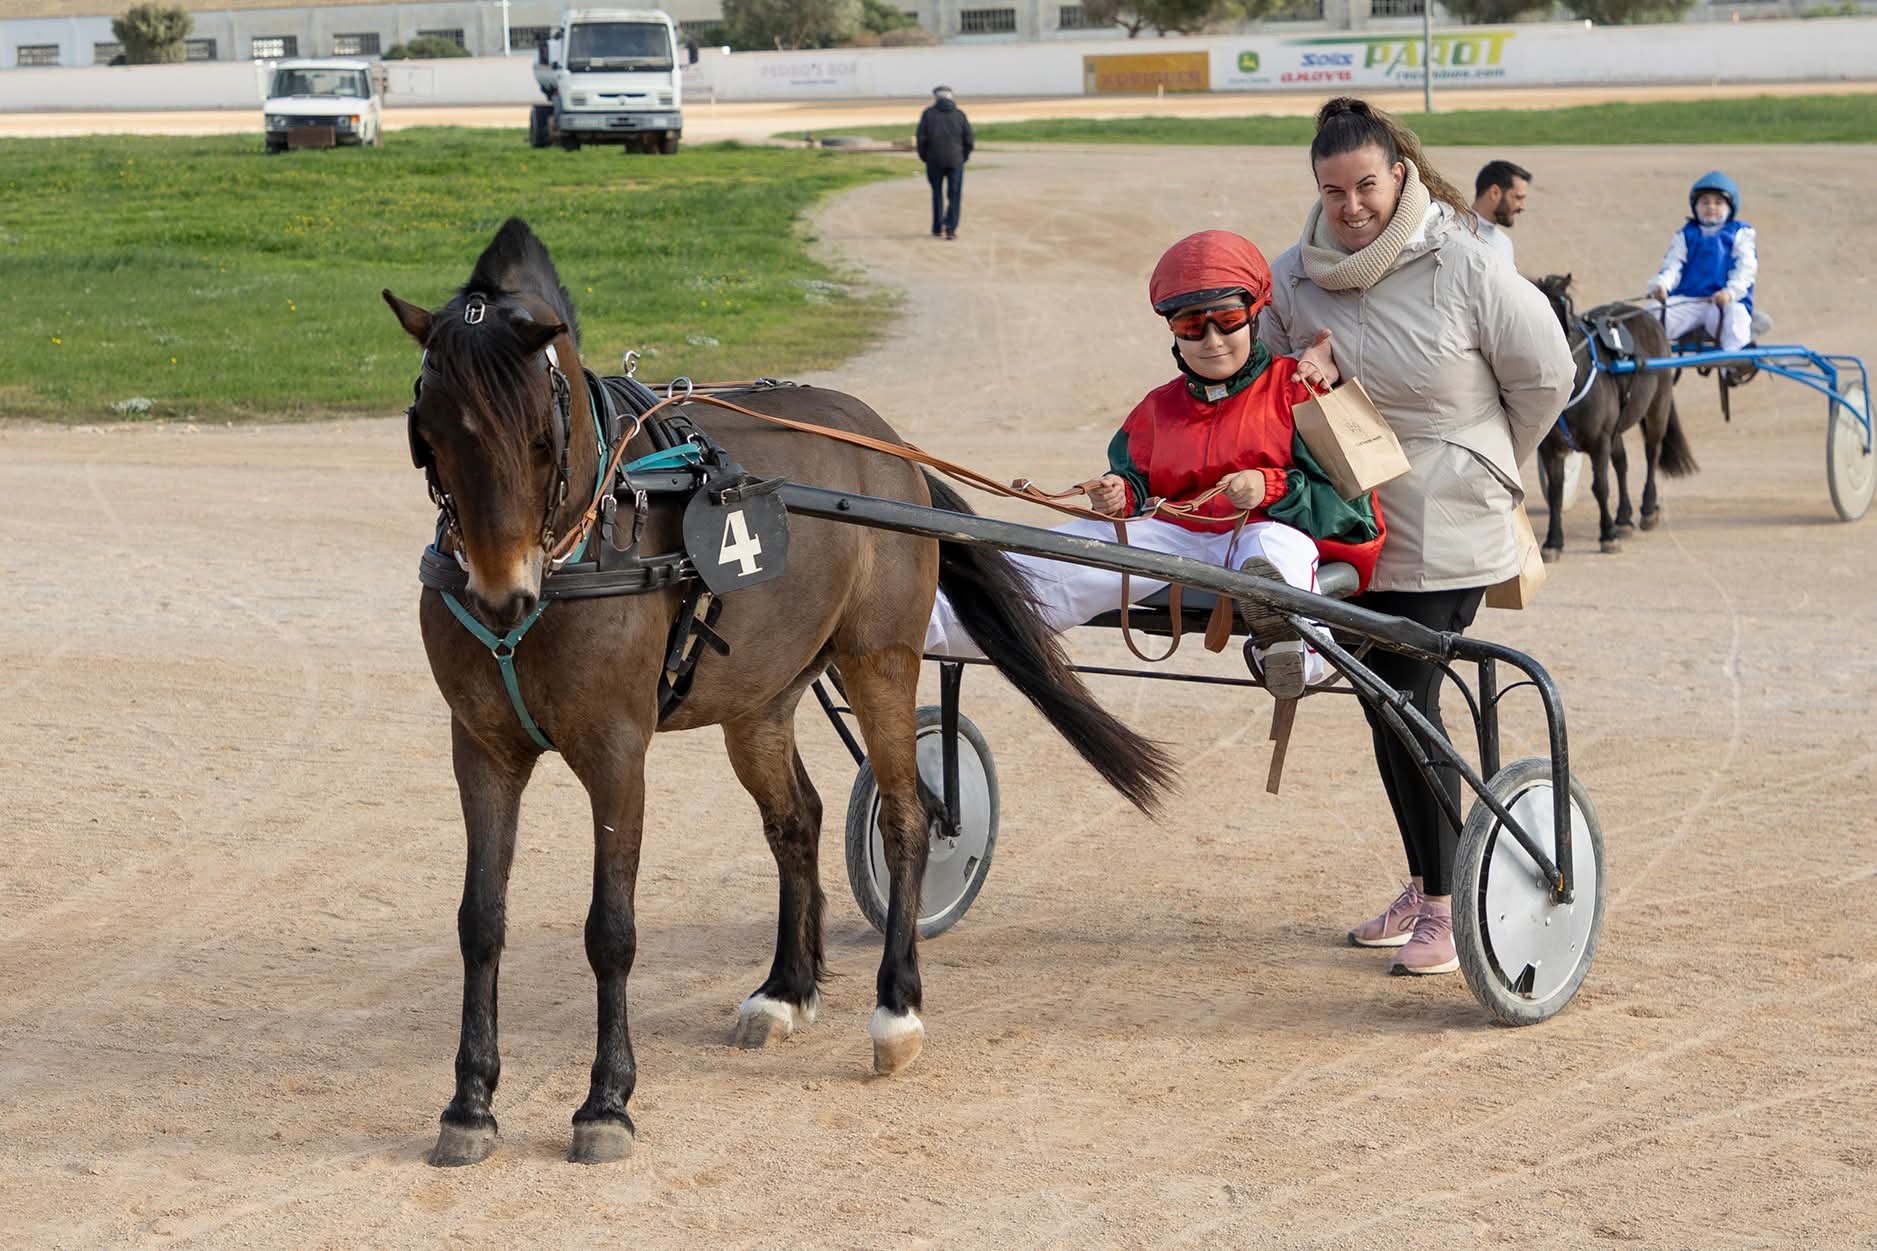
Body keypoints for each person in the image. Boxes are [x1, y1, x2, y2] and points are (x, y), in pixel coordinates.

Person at [1261, 97, 1573, 976]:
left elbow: (1547, 374)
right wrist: (1300, 370)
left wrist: (1491, 463)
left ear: (1398, 172)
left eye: (1365, 183)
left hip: (1450, 514)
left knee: (1406, 689)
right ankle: (1425, 881)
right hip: (1353, 524)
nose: (1350, 204)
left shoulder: (1463, 261)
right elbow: (1268, 391)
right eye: (1333, 189)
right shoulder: (1294, 276)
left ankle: (1445, 902)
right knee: (1380, 700)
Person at [925, 229, 1385, 700]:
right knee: (1074, 549)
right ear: (1173, 332)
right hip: (1177, 535)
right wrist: (1120, 493)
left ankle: (1292, 654)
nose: (1211, 340)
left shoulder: (1300, 388)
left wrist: (1270, 487)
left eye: (1226, 319)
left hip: (1262, 533)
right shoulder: (1156, 409)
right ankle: (926, 624)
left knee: (1272, 550)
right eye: (1190, 327)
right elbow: (1137, 483)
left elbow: (1355, 511)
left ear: (1254, 313)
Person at [1647, 170, 1758, 354]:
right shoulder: (1686, 235)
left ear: (1730, 207)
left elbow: (1745, 270)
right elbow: (1673, 266)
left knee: (1736, 316)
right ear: (1695, 206)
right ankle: (1650, 368)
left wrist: (1730, 293)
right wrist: (1662, 285)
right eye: (1705, 202)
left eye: (1718, 202)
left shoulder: (1740, 233)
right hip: (1687, 302)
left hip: (1721, 303)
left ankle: (1733, 366)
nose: (1711, 207)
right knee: (1651, 315)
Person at [916, 86, 974, 241]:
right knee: (954, 195)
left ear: (935, 98)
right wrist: (963, 157)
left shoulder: (928, 114)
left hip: (934, 160)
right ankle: (950, 229)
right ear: (951, 97)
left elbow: (921, 139)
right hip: (956, 160)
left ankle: (937, 228)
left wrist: (925, 157)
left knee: (937, 194)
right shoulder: (959, 115)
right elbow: (969, 140)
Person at [1471, 159, 1531, 263]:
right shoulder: (1453, 233)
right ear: (1494, 193)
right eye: (1518, 198)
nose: (1522, 206)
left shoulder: (1504, 243)